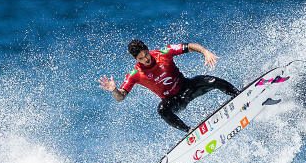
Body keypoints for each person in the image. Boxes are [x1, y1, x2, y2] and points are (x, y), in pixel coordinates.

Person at [98, 39, 240, 132]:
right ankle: (189, 131)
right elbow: (120, 97)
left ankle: (238, 95)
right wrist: (114, 89)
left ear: (148, 50)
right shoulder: (135, 74)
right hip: (174, 101)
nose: (146, 59)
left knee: (212, 81)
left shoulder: (163, 53)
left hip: (187, 87)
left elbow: (189, 46)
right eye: (141, 58)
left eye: (146, 54)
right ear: (136, 59)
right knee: (162, 110)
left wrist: (205, 52)